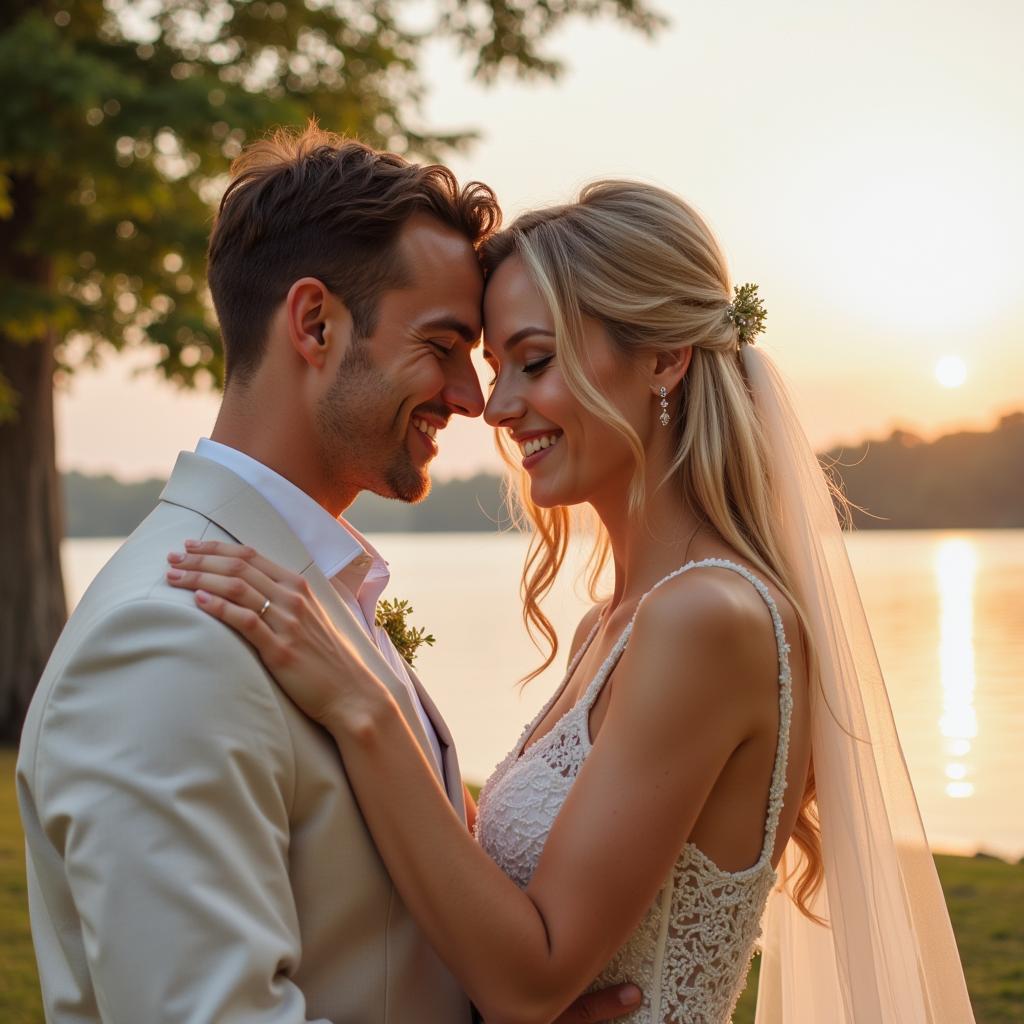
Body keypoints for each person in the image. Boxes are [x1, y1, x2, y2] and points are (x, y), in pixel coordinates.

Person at [168, 181, 977, 1023]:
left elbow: (531, 981)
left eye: (536, 360)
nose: (498, 406)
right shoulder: (617, 624)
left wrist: (363, 707)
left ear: (665, 357)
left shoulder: (707, 620)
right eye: (494, 368)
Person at [16, 129, 639, 1023]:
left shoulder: (299, 593)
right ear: (315, 324)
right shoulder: (169, 638)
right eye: (443, 345)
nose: (473, 398)